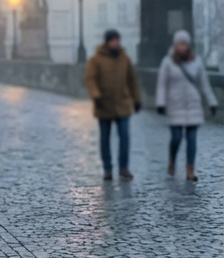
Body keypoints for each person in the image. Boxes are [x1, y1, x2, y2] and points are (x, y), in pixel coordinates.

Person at [155, 30, 218, 181]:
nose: (183, 47)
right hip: (175, 105)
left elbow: (204, 84)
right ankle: (172, 160)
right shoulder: (167, 62)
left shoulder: (196, 62)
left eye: (185, 44)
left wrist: (212, 101)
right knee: (176, 138)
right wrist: (161, 103)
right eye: (180, 44)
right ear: (175, 45)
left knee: (192, 139)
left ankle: (190, 169)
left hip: (193, 106)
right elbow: (162, 85)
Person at [85, 29, 142, 181]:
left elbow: (132, 81)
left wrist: (136, 99)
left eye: (117, 40)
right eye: (113, 40)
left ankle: (123, 167)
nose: (115, 43)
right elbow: (90, 79)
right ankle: (107, 169)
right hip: (104, 104)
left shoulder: (125, 59)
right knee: (105, 139)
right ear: (107, 42)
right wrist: (96, 95)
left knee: (124, 137)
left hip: (122, 103)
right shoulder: (96, 60)